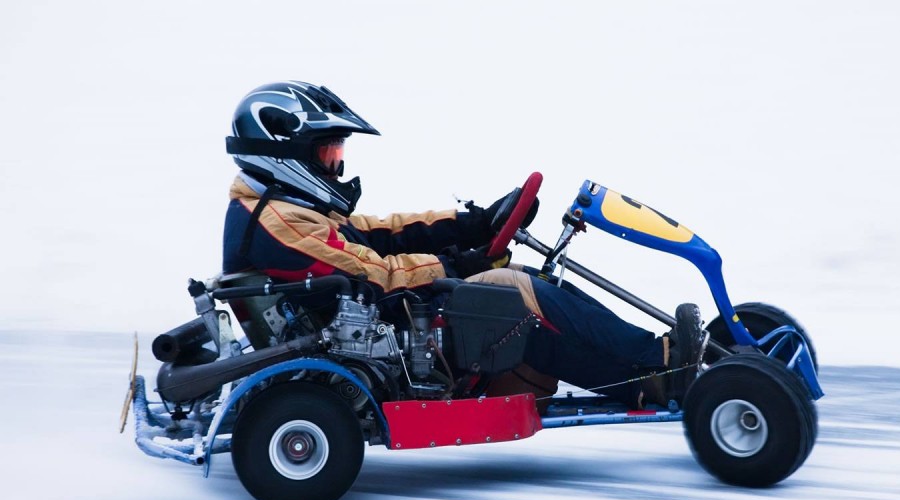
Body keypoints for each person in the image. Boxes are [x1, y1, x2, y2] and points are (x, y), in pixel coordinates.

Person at [221, 81, 706, 410]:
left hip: (376, 320)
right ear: (283, 153)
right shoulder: (279, 222)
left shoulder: (280, 210)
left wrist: (470, 224)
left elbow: (378, 233)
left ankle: (650, 375)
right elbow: (375, 273)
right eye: (329, 152)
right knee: (510, 289)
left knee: (533, 289)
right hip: (375, 333)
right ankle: (659, 361)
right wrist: (460, 263)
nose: (336, 165)